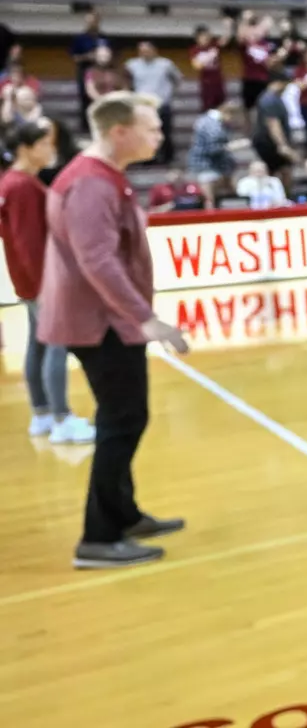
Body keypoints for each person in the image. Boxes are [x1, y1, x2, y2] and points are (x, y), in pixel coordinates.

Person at [40, 92, 190, 569]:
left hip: (104, 320)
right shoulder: (90, 184)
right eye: (151, 127)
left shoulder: (102, 176)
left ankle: (123, 513)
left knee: (125, 417)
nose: (160, 135)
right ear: (119, 132)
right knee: (121, 422)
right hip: (100, 323)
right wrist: (144, 317)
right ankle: (99, 538)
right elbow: (98, 261)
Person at [1, 121, 94, 444]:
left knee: (37, 344)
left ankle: (41, 414)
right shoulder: (22, 186)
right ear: (25, 148)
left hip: (28, 280)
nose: (50, 149)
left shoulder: (11, 183)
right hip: (43, 281)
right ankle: (61, 419)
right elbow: (28, 243)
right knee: (57, 345)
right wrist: (47, 287)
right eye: (43, 144)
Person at [125, 41, 182, 165]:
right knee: (145, 133)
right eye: (142, 51)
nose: (145, 53)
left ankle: (168, 157)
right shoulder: (132, 65)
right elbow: (126, 81)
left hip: (162, 103)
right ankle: (148, 158)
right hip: (143, 105)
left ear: (154, 51)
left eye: (147, 51)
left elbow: (177, 79)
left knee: (164, 132)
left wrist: (170, 93)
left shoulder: (165, 64)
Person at [187, 102, 238, 207]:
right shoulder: (211, 124)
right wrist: (230, 147)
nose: (232, 121)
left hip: (213, 165)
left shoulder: (209, 120)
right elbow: (212, 148)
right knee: (209, 200)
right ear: (227, 113)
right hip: (206, 165)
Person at [250, 66, 297, 179]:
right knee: (284, 171)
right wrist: (282, 145)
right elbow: (273, 123)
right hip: (269, 143)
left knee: (278, 171)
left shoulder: (273, 98)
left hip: (270, 141)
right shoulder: (269, 100)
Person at [190, 25, 226, 111]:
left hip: (218, 81)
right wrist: (210, 56)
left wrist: (227, 26)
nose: (206, 38)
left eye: (207, 36)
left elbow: (224, 40)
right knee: (208, 106)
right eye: (203, 36)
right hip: (206, 83)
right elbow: (197, 66)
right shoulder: (194, 50)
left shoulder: (214, 46)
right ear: (197, 38)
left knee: (221, 105)